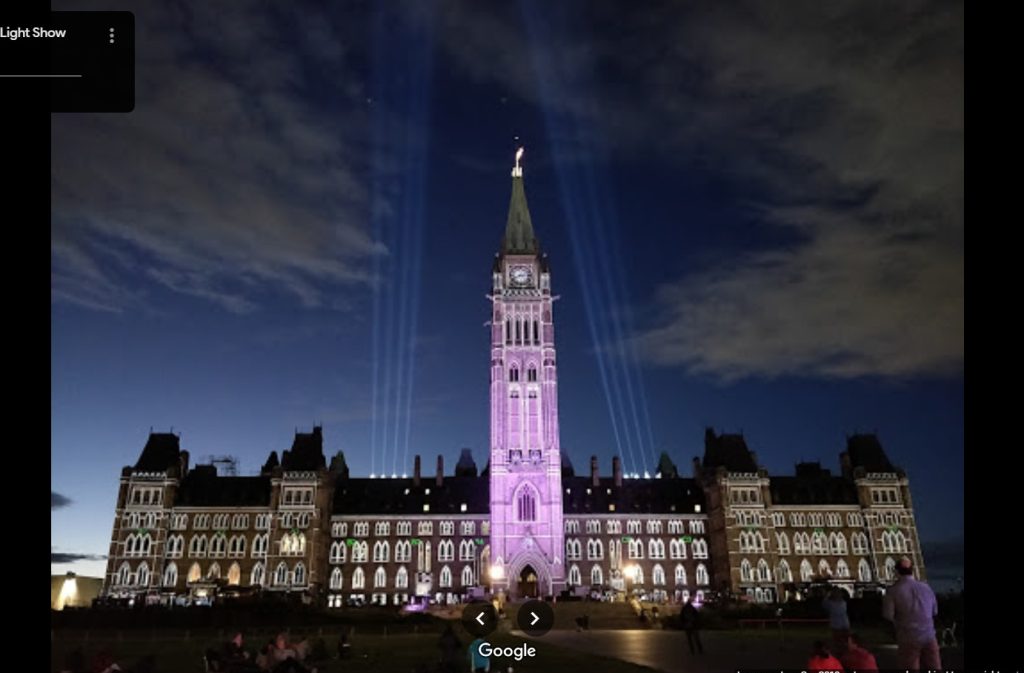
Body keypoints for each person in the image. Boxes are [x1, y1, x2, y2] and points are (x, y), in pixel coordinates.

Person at [882, 558, 942, 670]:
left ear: (896, 572)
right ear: (912, 571)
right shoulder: (926, 587)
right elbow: (934, 611)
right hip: (929, 636)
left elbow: (888, 616)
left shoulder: (893, 591)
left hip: (908, 637)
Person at [822, 588, 851, 653]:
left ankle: (845, 652)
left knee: (846, 640)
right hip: (837, 625)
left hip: (843, 624)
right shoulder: (831, 603)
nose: (838, 595)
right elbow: (824, 603)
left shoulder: (843, 602)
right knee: (838, 641)